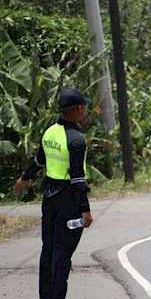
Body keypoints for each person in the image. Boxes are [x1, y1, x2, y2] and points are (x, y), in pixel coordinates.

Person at [14, 88, 94, 299]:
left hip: (49, 198)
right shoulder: (76, 140)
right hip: (68, 201)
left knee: (48, 249)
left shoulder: (50, 132)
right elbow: (77, 178)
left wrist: (24, 178)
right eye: (84, 107)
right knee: (62, 255)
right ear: (78, 109)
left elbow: (38, 161)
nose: (85, 110)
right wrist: (85, 211)